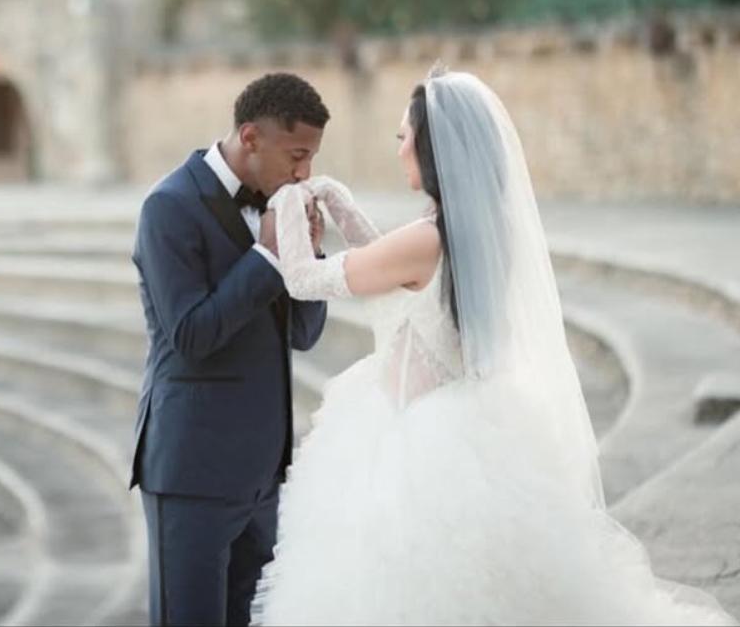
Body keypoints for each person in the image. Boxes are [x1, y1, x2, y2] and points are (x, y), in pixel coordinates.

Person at [251, 67, 736, 626]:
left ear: (431, 150)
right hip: (463, 417)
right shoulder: (464, 233)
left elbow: (306, 280)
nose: (399, 147)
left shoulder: (428, 239)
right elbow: (390, 268)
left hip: (415, 434)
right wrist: (337, 203)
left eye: (405, 136)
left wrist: (288, 204)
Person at [130, 72, 331, 626]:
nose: (304, 173)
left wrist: (305, 256)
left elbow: (304, 335)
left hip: (263, 477)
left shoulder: (279, 209)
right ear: (250, 137)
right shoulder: (168, 207)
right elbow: (191, 337)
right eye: (296, 155)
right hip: (192, 474)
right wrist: (265, 259)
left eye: (311, 158)